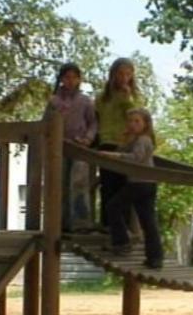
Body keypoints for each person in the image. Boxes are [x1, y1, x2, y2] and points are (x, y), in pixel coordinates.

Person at [104, 108, 164, 269]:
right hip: (144, 183)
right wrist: (124, 141)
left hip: (140, 183)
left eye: (137, 121)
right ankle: (155, 257)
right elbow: (121, 151)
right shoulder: (135, 140)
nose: (133, 124)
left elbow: (136, 158)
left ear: (145, 124)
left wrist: (117, 156)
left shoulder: (144, 140)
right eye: (130, 121)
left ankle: (122, 243)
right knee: (147, 220)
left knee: (113, 206)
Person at [44, 62, 97, 232]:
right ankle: (60, 223)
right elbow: (45, 123)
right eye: (67, 77)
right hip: (58, 147)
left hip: (79, 146)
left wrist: (88, 139)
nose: (71, 81)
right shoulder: (54, 100)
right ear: (61, 79)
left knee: (79, 182)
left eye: (74, 77)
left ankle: (81, 222)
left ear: (79, 79)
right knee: (59, 183)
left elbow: (93, 123)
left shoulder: (85, 100)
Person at [95, 58, 145, 228]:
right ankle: (106, 224)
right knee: (107, 185)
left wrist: (127, 97)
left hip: (125, 144)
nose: (124, 77)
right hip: (106, 142)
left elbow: (137, 116)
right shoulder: (103, 98)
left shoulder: (133, 96)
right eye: (121, 73)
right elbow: (97, 117)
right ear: (113, 74)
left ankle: (123, 225)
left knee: (124, 186)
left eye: (128, 74)